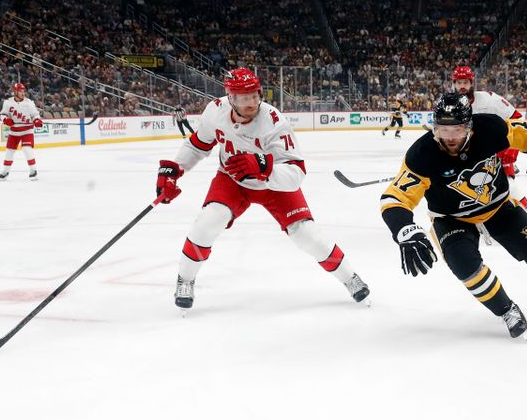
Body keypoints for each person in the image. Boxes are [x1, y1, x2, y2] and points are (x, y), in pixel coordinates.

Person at [379, 92, 527, 340]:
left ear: (469, 125)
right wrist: (404, 229)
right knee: (464, 266)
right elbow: (394, 198)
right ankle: (506, 310)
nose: (450, 138)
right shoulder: (421, 154)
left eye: (456, 130)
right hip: (451, 218)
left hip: (498, 206)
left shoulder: (491, 129)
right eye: (443, 131)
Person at [156, 68, 370, 311]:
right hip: (232, 179)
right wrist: (175, 171)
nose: (251, 103)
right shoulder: (215, 111)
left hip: (273, 184)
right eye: (244, 98)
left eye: (255, 96)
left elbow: (296, 172)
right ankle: (185, 278)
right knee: (208, 222)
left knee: (306, 234)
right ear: (230, 98)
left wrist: (263, 168)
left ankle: (350, 277)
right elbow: (198, 145)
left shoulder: (275, 122)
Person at [452, 65, 527, 207]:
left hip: (498, 153)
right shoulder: (450, 106)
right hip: (470, 158)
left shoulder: (490, 99)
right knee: (472, 195)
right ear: (454, 84)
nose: (462, 86)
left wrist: (512, 148)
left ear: (471, 83)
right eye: (459, 83)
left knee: (510, 189)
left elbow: (518, 119)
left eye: (465, 83)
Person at [0, 82, 42, 180]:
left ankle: (33, 170)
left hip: (27, 130)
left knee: (27, 149)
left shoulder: (29, 102)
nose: (23, 93)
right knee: (9, 151)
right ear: (15, 92)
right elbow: (2, 114)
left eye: (23, 91)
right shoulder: (8, 102)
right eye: (20, 91)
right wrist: (6, 119)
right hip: (14, 132)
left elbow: (35, 114)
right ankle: (5, 171)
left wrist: (37, 120)